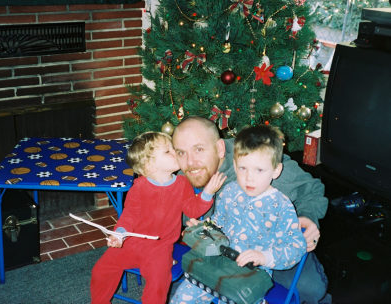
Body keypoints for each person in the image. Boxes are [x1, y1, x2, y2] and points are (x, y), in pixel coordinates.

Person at [172, 116, 331, 304]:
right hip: (223, 252)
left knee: (311, 290)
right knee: (181, 287)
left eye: (198, 149)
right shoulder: (181, 179)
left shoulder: (255, 158)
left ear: (220, 148)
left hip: (272, 244)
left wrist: (308, 216)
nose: (190, 163)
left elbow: (311, 189)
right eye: (181, 153)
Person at [90, 131, 226, 304]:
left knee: (158, 282)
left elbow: (192, 210)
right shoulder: (139, 188)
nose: (175, 152)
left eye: (172, 148)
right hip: (131, 242)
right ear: (149, 165)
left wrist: (207, 193)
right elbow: (129, 215)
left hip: (160, 247)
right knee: (101, 269)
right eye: (168, 151)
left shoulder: (182, 183)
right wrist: (119, 234)